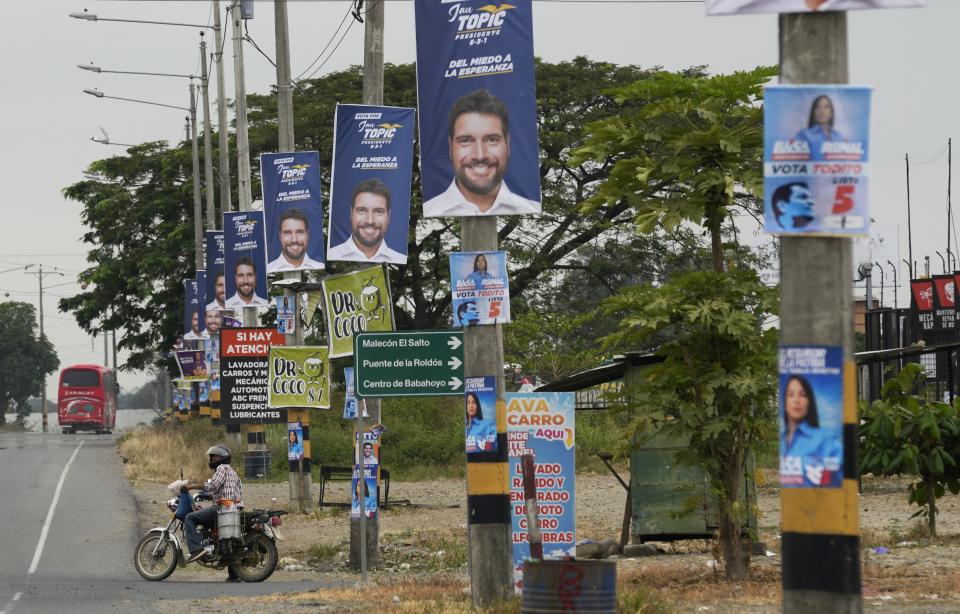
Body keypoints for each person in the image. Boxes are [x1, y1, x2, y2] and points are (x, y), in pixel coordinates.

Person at [423, 89, 540, 217]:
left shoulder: (527, 207)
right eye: (465, 141)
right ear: (450, 147)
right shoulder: (431, 208)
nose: (479, 155)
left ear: (507, 144)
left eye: (492, 140)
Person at [182, 445, 243, 580]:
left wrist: (191, 486)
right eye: (211, 457)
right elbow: (220, 490)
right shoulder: (232, 472)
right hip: (232, 509)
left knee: (189, 518)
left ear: (221, 458)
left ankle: (197, 549)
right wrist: (206, 496)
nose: (212, 459)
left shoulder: (222, 468)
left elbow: (212, 486)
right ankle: (234, 575)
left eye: (214, 456)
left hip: (222, 509)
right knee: (224, 539)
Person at [780, 375, 842, 487]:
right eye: (791, 394)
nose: (797, 400)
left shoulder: (826, 439)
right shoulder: (781, 439)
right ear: (784, 402)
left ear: (809, 401)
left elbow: (840, 478)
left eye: (802, 395)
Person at [328, 178, 405, 263]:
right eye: (362, 210)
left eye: (379, 211)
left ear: (389, 216)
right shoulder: (332, 255)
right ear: (351, 213)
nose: (370, 221)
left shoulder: (400, 259)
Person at [267, 208, 324, 272]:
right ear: (280, 236)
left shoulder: (319, 266)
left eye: (300, 232)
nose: (294, 240)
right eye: (287, 233)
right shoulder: (268, 268)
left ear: (308, 235)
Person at [794, 95, 844, 161]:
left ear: (831, 113)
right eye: (818, 107)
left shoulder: (838, 136)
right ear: (813, 112)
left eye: (826, 107)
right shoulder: (803, 135)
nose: (822, 111)